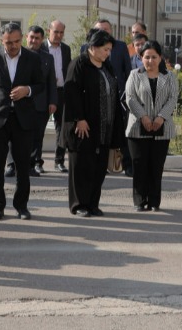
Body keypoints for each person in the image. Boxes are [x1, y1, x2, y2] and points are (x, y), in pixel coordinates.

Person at [0, 23, 44, 221]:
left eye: (16, 42)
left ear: (21, 39)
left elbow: (40, 84)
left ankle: (21, 206)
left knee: (23, 166)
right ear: (1, 41)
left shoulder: (32, 58)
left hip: (23, 119)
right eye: (8, 43)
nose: (12, 46)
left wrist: (27, 90)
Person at [59, 29, 123, 217]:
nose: (108, 53)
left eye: (110, 50)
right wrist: (79, 119)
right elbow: (71, 93)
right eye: (105, 49)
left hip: (104, 127)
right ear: (93, 47)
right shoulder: (79, 64)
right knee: (81, 167)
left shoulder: (107, 66)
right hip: (83, 127)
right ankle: (79, 205)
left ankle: (93, 204)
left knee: (98, 167)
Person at [125, 41, 177, 211]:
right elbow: (130, 98)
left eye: (154, 57)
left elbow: (173, 98)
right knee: (139, 166)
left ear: (160, 58)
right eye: (146, 57)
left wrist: (161, 117)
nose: (150, 61)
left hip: (162, 127)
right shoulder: (134, 75)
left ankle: (154, 201)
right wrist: (144, 117)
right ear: (141, 58)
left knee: (156, 167)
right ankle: (139, 201)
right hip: (138, 127)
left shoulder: (169, 77)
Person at [92, 19, 133, 177]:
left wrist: (126, 94)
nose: (103, 32)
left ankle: (128, 166)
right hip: (97, 98)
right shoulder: (87, 48)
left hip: (119, 97)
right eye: (100, 29)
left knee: (122, 132)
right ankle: (99, 166)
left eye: (106, 29)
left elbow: (128, 72)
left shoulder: (121, 46)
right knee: (99, 134)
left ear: (111, 31)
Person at [26, 25, 57, 176]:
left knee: (37, 137)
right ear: (27, 37)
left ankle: (32, 165)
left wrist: (52, 102)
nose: (34, 40)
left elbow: (51, 81)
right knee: (17, 137)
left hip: (41, 104)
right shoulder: (19, 54)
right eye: (31, 37)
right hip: (20, 103)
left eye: (37, 38)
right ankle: (13, 165)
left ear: (42, 40)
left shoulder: (47, 58)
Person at [44, 20, 71, 173]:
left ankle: (59, 161)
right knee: (38, 128)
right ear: (49, 31)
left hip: (62, 92)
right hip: (45, 93)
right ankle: (36, 161)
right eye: (56, 32)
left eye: (61, 32)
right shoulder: (41, 47)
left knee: (62, 129)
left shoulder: (66, 49)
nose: (59, 35)